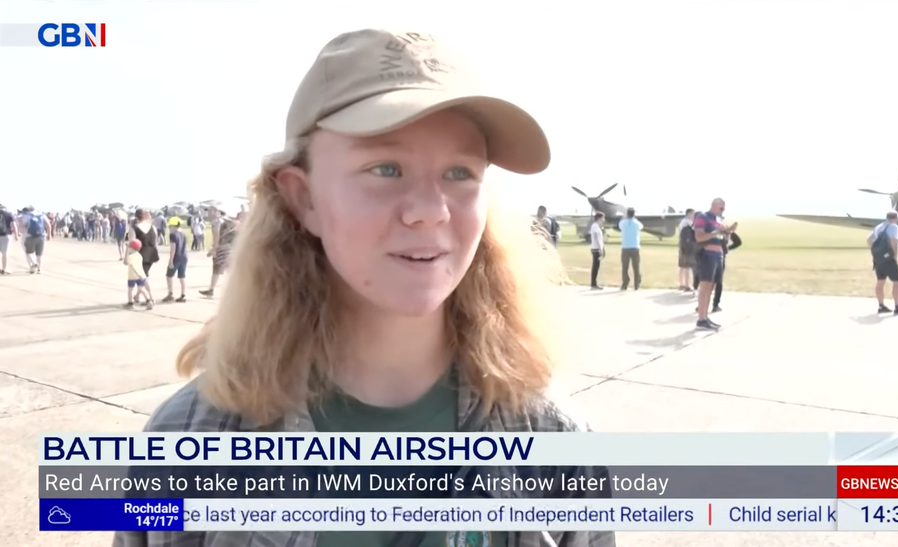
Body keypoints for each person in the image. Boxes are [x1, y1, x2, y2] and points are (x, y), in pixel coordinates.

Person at [112, 28, 612, 547]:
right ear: (303, 198)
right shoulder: (190, 439)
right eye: (386, 168)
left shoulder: (553, 441)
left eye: (461, 172)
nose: (430, 210)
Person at [693, 198, 736, 330]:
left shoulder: (718, 220)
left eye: (723, 209)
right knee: (705, 286)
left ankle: (705, 317)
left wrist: (727, 232)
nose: (722, 211)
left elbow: (722, 238)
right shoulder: (702, 217)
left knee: (711, 287)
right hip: (707, 255)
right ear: (714, 205)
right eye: (721, 208)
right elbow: (699, 237)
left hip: (718, 255)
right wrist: (716, 232)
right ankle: (701, 319)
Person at [868, 211, 898, 315]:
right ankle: (897, 307)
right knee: (897, 283)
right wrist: (895, 256)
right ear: (897, 218)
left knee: (880, 281)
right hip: (889, 259)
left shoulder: (879, 226)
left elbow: (869, 239)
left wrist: (875, 252)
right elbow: (893, 241)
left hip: (878, 260)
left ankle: (881, 306)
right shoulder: (893, 227)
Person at [199, 209, 238, 298]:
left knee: (217, 269)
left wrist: (214, 249)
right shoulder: (231, 221)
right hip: (231, 247)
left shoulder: (216, 222)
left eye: (210, 210)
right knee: (229, 269)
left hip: (221, 248)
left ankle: (211, 290)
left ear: (216, 211)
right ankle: (234, 290)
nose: (208, 213)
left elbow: (216, 236)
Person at [127, 209, 159, 307]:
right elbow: (156, 241)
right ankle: (137, 296)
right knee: (144, 276)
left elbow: (131, 243)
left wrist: (128, 256)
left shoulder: (134, 228)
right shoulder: (153, 227)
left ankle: (150, 298)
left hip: (141, 256)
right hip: (152, 254)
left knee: (142, 277)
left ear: (136, 217)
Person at [163, 218, 189, 303]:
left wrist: (171, 261)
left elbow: (173, 248)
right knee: (182, 276)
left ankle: (170, 293)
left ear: (173, 225)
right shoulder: (183, 233)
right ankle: (183, 294)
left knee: (169, 275)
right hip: (184, 256)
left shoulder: (173, 235)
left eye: (170, 226)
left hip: (176, 256)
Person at [619, 207, 642, 290]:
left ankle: (625, 283)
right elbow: (641, 227)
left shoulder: (623, 223)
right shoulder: (636, 223)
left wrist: (624, 217)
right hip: (635, 247)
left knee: (625, 267)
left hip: (625, 247)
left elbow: (620, 225)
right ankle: (637, 284)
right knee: (636, 267)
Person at [125, 239, 152, 310]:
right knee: (141, 289)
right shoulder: (140, 255)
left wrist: (126, 252)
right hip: (141, 275)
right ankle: (148, 300)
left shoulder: (130, 257)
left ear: (131, 248)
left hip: (132, 276)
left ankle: (130, 303)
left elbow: (126, 263)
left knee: (130, 290)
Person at [23, 208, 51, 274]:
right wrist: (49, 235)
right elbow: (48, 225)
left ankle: (34, 263)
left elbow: (23, 226)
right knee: (39, 254)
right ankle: (39, 270)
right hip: (41, 236)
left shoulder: (27, 216)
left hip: (30, 236)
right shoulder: (42, 215)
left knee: (29, 252)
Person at [677, 208, 697, 291]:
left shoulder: (682, 222)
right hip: (688, 247)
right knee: (687, 267)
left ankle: (681, 284)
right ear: (689, 214)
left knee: (682, 266)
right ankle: (687, 285)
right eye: (693, 214)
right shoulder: (688, 222)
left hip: (682, 246)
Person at [0, 204, 18, 275]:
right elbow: (14, 225)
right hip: (6, 235)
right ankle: (4, 269)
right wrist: (16, 235)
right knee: (5, 253)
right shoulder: (8, 214)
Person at [590, 212, 606, 290]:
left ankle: (594, 283)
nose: (603, 220)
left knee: (596, 267)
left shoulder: (596, 226)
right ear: (599, 218)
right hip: (596, 249)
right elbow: (598, 239)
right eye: (602, 218)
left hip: (596, 248)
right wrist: (601, 249)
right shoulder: (595, 226)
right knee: (595, 267)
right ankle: (593, 284)